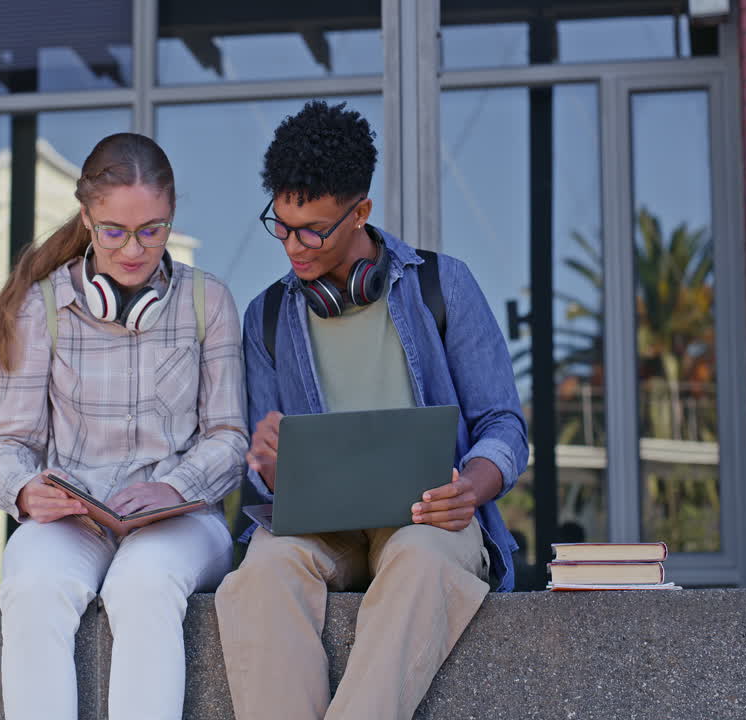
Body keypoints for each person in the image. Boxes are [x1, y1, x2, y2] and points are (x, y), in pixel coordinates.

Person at [214, 100, 529, 719]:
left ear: (361, 211)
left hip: (429, 521)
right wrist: (270, 462)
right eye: (281, 225)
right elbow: (265, 473)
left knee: (417, 560)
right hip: (319, 527)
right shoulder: (267, 317)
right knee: (259, 574)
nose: (293, 247)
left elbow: (504, 425)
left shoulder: (444, 285)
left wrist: (470, 486)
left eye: (314, 230)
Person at [0, 132, 247, 720]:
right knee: (32, 589)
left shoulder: (210, 302)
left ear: (171, 218)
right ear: (87, 219)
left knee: (142, 586)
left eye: (153, 229)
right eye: (115, 232)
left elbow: (229, 437)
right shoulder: (39, 308)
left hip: (180, 519)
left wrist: (175, 486)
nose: (133, 249)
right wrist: (27, 489)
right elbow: (4, 446)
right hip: (77, 519)